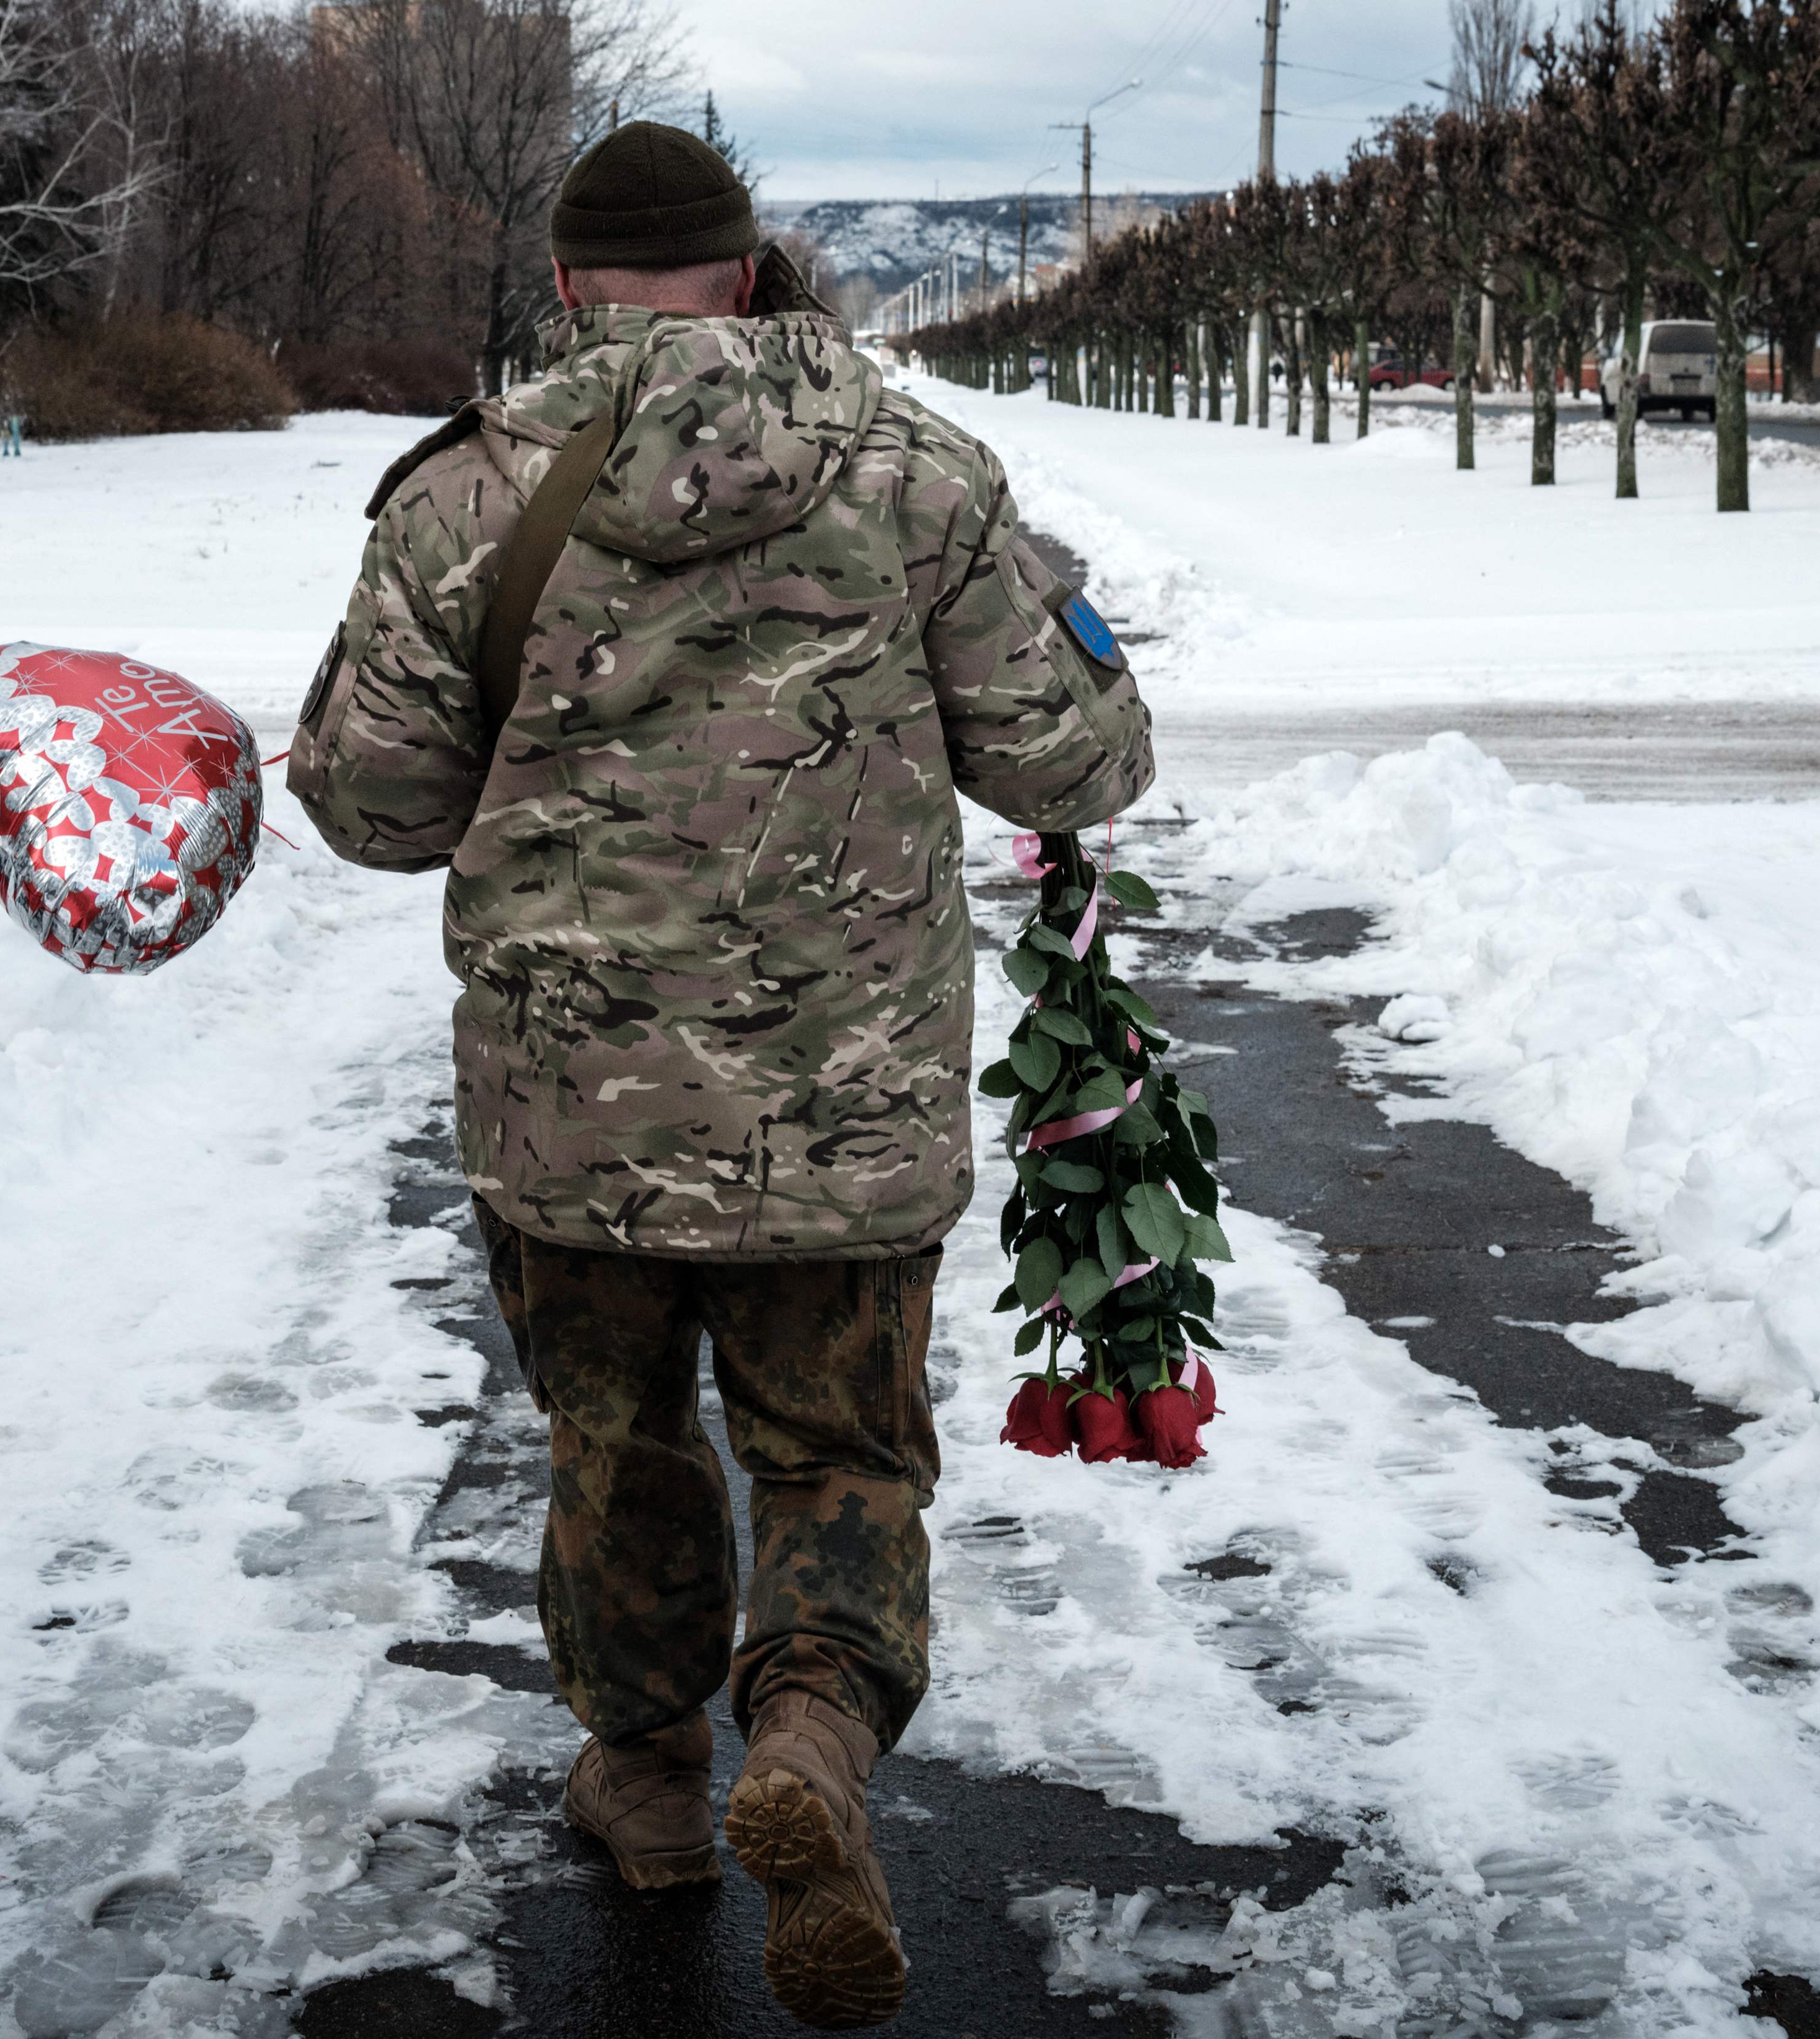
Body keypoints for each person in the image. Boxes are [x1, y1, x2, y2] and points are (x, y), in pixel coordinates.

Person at [286, 120, 1154, 2031]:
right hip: (845, 1113)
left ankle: (653, 1778)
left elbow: (370, 807)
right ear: (752, 273)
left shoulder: (464, 499)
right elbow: (1078, 767)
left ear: (571, 282)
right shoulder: (922, 473)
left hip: (571, 1114)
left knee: (614, 1448)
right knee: (836, 1448)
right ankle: (818, 1737)